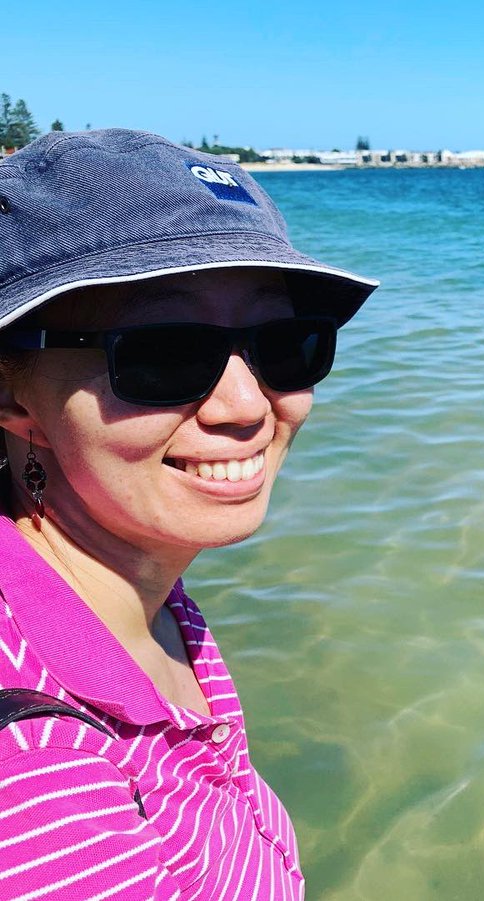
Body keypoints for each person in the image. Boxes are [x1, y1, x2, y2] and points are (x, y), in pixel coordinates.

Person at [0, 129, 377, 898]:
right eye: (163, 351)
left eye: (287, 343)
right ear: (11, 392)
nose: (247, 407)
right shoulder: (37, 778)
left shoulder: (132, 581)